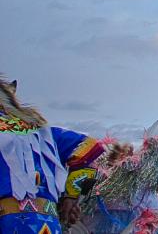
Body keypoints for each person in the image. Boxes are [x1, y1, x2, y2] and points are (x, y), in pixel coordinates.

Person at [1, 76, 105, 234]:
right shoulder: (45, 134)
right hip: (48, 224)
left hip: (8, 223)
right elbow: (90, 147)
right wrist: (71, 196)